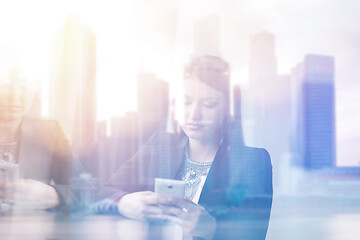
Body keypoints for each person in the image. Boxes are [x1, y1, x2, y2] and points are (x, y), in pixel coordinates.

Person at [98, 56, 273, 239]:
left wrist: (213, 229)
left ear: (228, 111)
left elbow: (253, 234)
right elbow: (103, 192)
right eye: (186, 102)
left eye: (209, 104)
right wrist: (124, 203)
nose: (193, 114)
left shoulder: (253, 161)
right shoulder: (161, 145)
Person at [0, 67, 76, 210]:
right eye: (4, 84)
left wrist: (54, 195)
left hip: (30, 228)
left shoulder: (48, 133)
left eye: (24, 85)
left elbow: (84, 190)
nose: (15, 95)